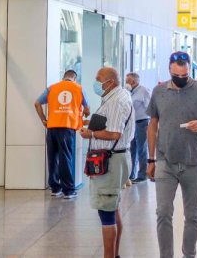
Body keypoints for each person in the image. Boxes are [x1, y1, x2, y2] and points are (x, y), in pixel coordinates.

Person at [147, 51, 197, 258]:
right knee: (162, 213)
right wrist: (150, 159)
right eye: (177, 76)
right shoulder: (159, 91)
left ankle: (189, 254)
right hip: (165, 161)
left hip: (193, 162)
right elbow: (152, 126)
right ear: (170, 69)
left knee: (192, 215)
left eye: (185, 75)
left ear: (190, 71)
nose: (181, 79)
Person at [79, 67, 134, 258]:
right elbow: (109, 124)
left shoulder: (117, 101)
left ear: (110, 81)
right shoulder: (114, 96)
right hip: (113, 158)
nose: (96, 82)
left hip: (111, 161)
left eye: (99, 79)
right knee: (111, 207)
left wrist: (91, 134)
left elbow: (114, 133)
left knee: (106, 212)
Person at [34, 69, 89, 199]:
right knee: (66, 158)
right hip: (67, 127)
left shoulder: (52, 88)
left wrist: (43, 120)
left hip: (52, 127)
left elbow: (37, 103)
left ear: (64, 77)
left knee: (53, 158)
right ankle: (69, 191)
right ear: (75, 78)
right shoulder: (79, 88)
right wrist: (84, 113)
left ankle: (55, 188)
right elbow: (87, 109)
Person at [125, 72, 151, 183]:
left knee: (142, 149)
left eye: (128, 81)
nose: (126, 83)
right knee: (132, 149)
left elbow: (150, 108)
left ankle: (142, 174)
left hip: (142, 122)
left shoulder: (143, 91)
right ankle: (131, 174)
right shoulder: (128, 92)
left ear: (134, 82)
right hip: (132, 123)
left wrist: (150, 124)